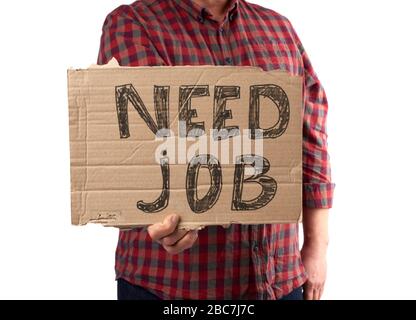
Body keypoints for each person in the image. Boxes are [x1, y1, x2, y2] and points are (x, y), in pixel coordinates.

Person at [98, 0, 334, 301]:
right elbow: (142, 148)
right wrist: (170, 219)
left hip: (280, 280)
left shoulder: (279, 28)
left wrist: (317, 244)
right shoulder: (134, 24)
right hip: (171, 287)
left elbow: (310, 133)